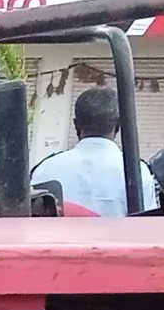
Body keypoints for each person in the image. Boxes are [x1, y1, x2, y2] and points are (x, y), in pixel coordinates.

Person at [30, 84, 156, 219]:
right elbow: (147, 227)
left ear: (76, 125)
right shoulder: (138, 172)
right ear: (118, 125)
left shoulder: (45, 169)